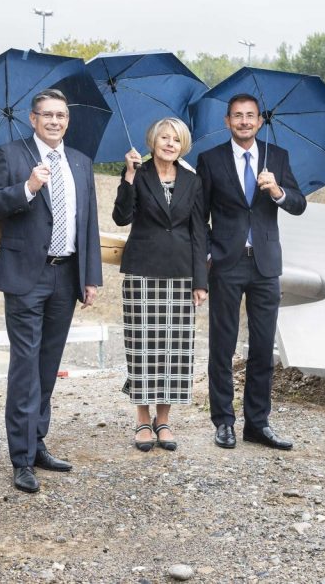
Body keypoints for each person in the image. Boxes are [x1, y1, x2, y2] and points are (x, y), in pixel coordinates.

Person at [0, 88, 103, 493]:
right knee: (25, 365)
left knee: (48, 365)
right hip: (25, 275)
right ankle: (20, 458)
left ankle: (37, 442)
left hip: (66, 276)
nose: (54, 121)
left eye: (61, 116)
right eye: (46, 115)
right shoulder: (10, 154)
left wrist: (90, 276)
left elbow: (88, 223)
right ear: (32, 119)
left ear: (67, 120)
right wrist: (28, 188)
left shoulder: (81, 162)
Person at [196, 93, 306, 451]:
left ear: (260, 121)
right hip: (226, 264)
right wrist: (209, 255)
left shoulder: (278, 157)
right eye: (237, 116)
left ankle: (257, 424)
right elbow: (199, 217)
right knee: (222, 346)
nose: (244, 122)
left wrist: (276, 191)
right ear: (227, 121)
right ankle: (224, 422)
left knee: (262, 348)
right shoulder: (210, 160)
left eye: (251, 116)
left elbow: (299, 204)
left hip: (265, 264)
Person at [112, 118, 207, 452]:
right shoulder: (139, 174)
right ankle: (141, 419)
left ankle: (163, 420)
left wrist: (200, 281)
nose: (169, 143)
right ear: (152, 141)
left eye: (176, 139)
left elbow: (199, 232)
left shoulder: (193, 181)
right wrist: (129, 176)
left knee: (173, 349)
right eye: (164, 137)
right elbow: (121, 217)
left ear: (183, 146)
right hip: (142, 270)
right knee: (143, 347)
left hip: (180, 272)